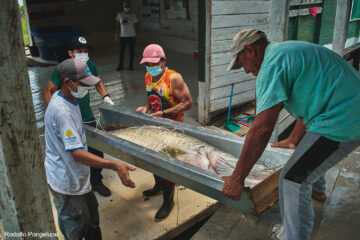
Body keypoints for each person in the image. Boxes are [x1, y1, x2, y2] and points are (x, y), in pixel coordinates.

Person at [221, 28, 360, 240]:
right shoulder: (283, 52)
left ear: (249, 50)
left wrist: (237, 179)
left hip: (344, 117)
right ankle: (318, 191)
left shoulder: (271, 65)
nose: (246, 71)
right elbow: (311, 100)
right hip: (342, 107)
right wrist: (294, 139)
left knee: (292, 180)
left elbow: (261, 129)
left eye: (242, 64)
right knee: (305, 156)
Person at [44, 58, 136, 240]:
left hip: (78, 177)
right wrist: (115, 165)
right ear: (67, 82)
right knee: (75, 225)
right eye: (83, 83)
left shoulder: (67, 98)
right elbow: (77, 154)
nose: (87, 88)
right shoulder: (62, 111)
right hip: (67, 181)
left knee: (92, 217)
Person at [43, 35, 115, 197]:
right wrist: (53, 111)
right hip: (69, 117)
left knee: (96, 148)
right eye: (79, 51)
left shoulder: (88, 65)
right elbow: (48, 90)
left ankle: (96, 181)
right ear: (70, 53)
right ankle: (78, 181)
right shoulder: (64, 69)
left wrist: (106, 96)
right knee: (75, 150)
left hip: (85, 114)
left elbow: (98, 81)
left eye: (86, 50)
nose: (84, 53)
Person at [136, 44, 193, 221]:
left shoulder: (174, 79)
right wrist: (145, 107)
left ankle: (168, 202)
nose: (151, 67)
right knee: (154, 158)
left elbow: (188, 103)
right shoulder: (148, 76)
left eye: (155, 63)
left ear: (164, 61)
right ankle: (158, 186)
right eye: (148, 64)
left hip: (172, 129)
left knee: (167, 165)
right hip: (155, 126)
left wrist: (165, 113)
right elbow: (150, 95)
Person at [115, 1, 139, 71]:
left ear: (130, 7)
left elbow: (136, 25)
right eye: (125, 6)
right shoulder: (119, 14)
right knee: (121, 51)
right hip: (123, 36)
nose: (127, 8)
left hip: (132, 36)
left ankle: (131, 65)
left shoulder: (133, 15)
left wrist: (138, 35)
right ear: (123, 7)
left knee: (131, 51)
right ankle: (120, 65)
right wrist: (116, 34)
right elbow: (117, 25)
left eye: (128, 6)